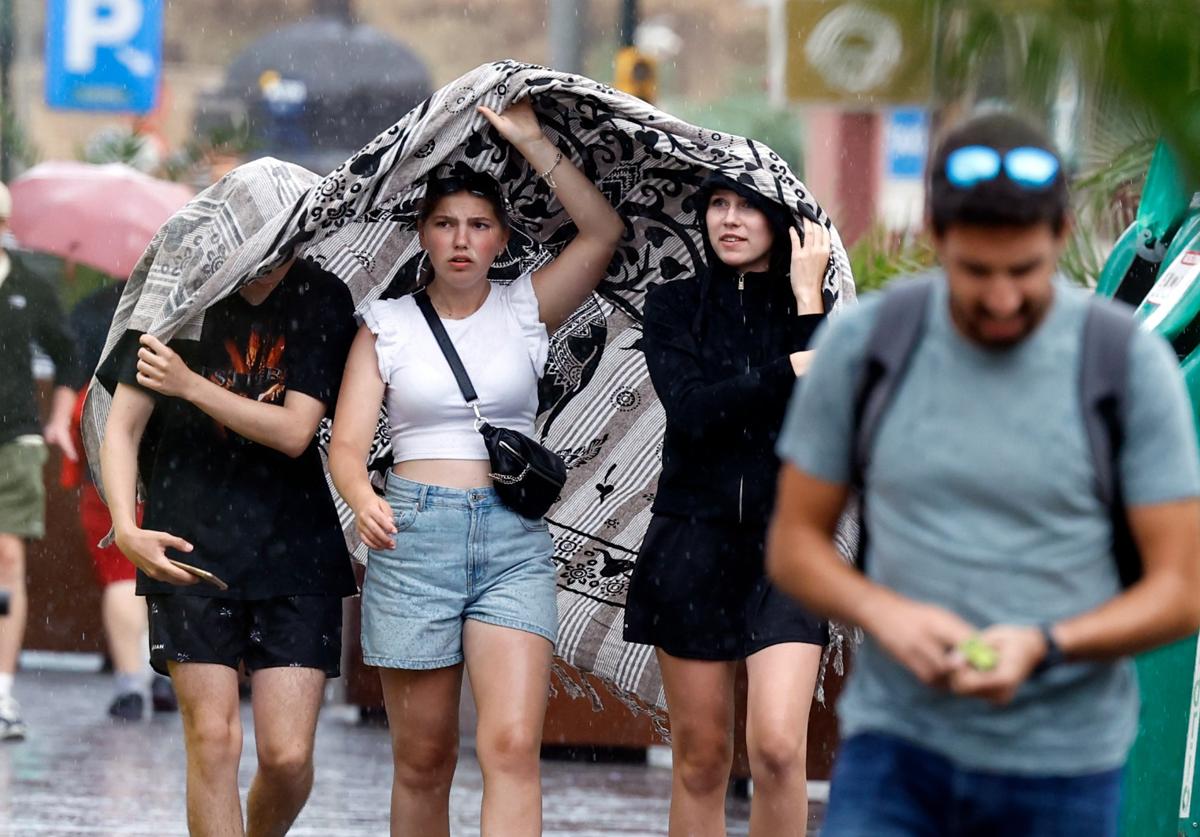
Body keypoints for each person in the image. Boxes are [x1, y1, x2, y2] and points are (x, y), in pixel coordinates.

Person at [766, 112, 1200, 837]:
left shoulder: (1126, 366)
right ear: (936, 236)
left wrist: (1047, 643)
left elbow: (1180, 589)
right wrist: (886, 614)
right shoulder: (869, 347)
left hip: (1064, 764)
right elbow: (794, 545)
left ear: (1062, 236)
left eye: (1024, 272)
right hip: (897, 754)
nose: (1002, 298)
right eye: (976, 273)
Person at [329, 99, 623, 836]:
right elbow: (347, 444)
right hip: (413, 535)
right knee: (424, 759)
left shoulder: (527, 307)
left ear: (499, 237)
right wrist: (362, 495)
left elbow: (603, 233)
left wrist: (529, 140)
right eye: (446, 224)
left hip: (510, 543)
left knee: (512, 744)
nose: (461, 240)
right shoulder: (385, 326)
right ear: (424, 235)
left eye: (478, 225)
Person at [99, 246, 358, 834]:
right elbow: (124, 427)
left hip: (296, 547)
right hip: (188, 543)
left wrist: (189, 384)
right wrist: (126, 527)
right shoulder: (173, 295)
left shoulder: (320, 295)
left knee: (288, 757)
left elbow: (295, 432)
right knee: (212, 740)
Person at [622, 172, 833, 836]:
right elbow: (692, 410)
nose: (731, 218)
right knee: (703, 758)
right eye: (719, 204)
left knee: (776, 749)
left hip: (788, 549)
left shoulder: (817, 314)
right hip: (692, 543)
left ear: (782, 223)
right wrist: (784, 370)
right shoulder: (674, 306)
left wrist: (805, 303)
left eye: (748, 206)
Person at [64, 279, 176, 721]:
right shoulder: (180, 311)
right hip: (163, 464)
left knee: (119, 574)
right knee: (157, 572)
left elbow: (76, 395)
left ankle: (133, 682)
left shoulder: (94, 310)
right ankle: (157, 674)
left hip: (104, 464)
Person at [0, 182, 78, 741]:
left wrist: (57, 419)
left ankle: (1, 693)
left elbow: (69, 353)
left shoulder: (30, 284)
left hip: (16, 439)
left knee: (8, 559)